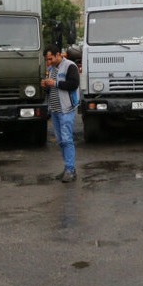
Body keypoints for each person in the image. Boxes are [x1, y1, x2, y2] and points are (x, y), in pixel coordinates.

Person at [42, 45, 80, 183]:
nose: (49, 62)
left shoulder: (70, 66)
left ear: (58, 54)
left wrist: (55, 83)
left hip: (66, 109)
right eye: (47, 60)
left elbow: (73, 84)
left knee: (67, 139)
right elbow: (51, 89)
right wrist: (46, 86)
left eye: (50, 59)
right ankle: (68, 168)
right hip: (55, 110)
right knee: (60, 141)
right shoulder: (51, 69)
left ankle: (70, 169)